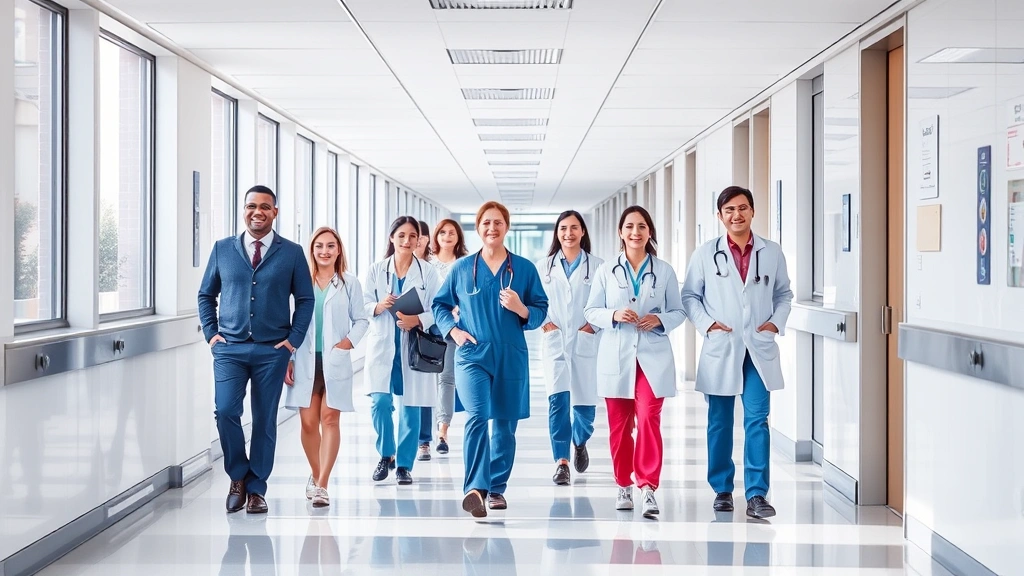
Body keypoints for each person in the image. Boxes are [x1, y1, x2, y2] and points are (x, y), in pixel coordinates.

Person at [198, 184, 314, 514]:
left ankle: (257, 488)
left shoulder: (291, 253)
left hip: (271, 351)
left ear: (275, 212)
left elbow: (304, 300)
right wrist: (211, 335)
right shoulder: (222, 249)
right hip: (229, 350)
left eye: (265, 207)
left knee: (264, 420)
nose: (257, 212)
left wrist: (292, 341)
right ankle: (238, 476)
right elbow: (206, 294)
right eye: (252, 206)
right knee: (226, 412)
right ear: (244, 210)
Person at [680, 185, 793, 520]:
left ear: (753, 212)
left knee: (757, 421)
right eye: (729, 210)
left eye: (743, 208)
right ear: (720, 216)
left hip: (758, 348)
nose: (736, 215)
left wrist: (775, 323)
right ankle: (723, 489)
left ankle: (757, 494)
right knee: (719, 422)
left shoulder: (771, 252)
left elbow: (784, 293)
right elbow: (689, 297)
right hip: (722, 347)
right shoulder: (705, 253)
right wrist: (707, 324)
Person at [432, 201, 548, 518]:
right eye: (486, 223)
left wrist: (521, 309)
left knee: (505, 427)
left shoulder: (523, 269)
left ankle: (496, 488)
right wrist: (452, 331)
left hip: (510, 354)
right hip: (472, 355)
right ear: (478, 227)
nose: (492, 228)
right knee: (477, 417)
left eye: (498, 222)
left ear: (506, 227)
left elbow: (540, 310)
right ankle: (475, 488)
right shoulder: (461, 268)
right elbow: (439, 305)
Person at [584, 205, 685, 518]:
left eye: (642, 226)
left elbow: (679, 312)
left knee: (649, 420)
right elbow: (590, 312)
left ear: (649, 232)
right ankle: (623, 484)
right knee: (619, 426)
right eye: (629, 227)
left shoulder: (664, 270)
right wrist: (613, 315)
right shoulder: (606, 271)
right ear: (620, 232)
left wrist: (659, 319)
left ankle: (648, 487)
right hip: (617, 356)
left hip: (653, 358)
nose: (635, 232)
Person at [283, 227, 368, 508]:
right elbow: (288, 322)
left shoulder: (350, 283)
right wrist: (288, 358)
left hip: (333, 359)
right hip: (304, 359)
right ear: (312, 250)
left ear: (339, 250)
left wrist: (347, 344)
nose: (325, 251)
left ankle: (322, 485)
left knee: (330, 419)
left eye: (331, 246)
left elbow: (362, 320)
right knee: (308, 423)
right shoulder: (299, 281)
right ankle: (316, 474)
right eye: (319, 246)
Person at [362, 216, 443, 486]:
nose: (407, 241)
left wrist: (418, 320)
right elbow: (362, 306)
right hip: (383, 346)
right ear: (391, 238)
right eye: (401, 236)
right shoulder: (376, 269)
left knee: (411, 406)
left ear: (419, 240)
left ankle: (404, 466)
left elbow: (439, 309)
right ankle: (386, 454)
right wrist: (378, 306)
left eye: (412, 236)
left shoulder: (428, 273)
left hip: (412, 345)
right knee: (380, 403)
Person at [534, 210, 604, 486]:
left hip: (586, 339)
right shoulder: (544, 267)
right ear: (557, 232)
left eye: (574, 228)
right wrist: (545, 324)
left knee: (585, 408)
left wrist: (592, 326)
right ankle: (561, 461)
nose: (568, 233)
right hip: (555, 340)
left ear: (583, 232)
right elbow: (536, 301)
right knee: (557, 403)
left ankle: (580, 440)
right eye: (563, 228)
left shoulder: (598, 266)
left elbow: (605, 302)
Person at [427, 218, 469, 455]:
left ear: (458, 237)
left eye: (452, 232)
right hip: (429, 329)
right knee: (427, 381)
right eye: (442, 232)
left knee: (446, 379)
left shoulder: (464, 263)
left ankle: (442, 431)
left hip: (453, 328)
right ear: (436, 236)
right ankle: (427, 431)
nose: (447, 236)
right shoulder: (426, 263)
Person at [414, 219, 434, 461]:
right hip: (397, 332)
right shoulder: (391, 266)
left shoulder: (431, 267)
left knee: (424, 390)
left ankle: (424, 440)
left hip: (427, 333)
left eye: (419, 236)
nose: (415, 240)